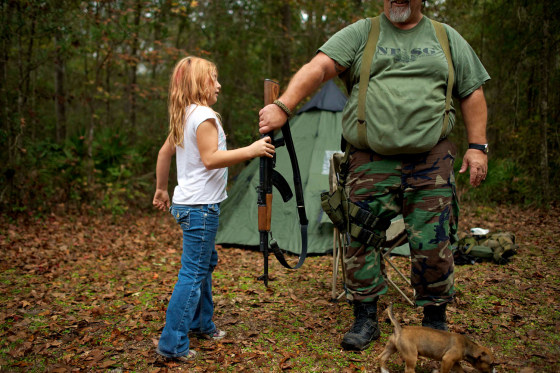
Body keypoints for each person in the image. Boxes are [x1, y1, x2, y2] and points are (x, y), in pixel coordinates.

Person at [259, 0, 489, 351]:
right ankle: (365, 317)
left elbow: (472, 91)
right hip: (370, 161)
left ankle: (435, 320)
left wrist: (478, 147)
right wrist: (284, 105)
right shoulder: (362, 33)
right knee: (360, 239)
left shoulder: (447, 38)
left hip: (430, 160)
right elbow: (319, 68)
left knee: (434, 242)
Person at [153, 56, 275, 361]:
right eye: (214, 79)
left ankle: (201, 323)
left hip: (188, 204)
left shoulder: (184, 115)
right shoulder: (204, 116)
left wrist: (160, 188)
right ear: (198, 83)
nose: (218, 85)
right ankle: (172, 343)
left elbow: (164, 152)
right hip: (200, 208)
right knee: (194, 272)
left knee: (204, 264)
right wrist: (252, 150)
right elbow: (210, 158)